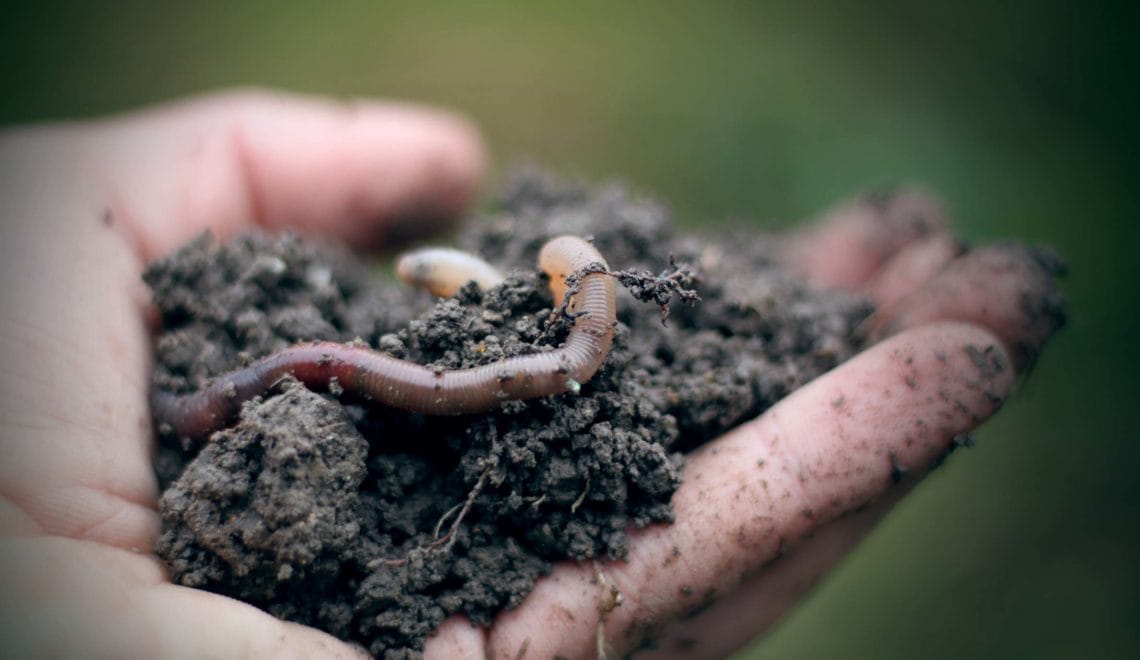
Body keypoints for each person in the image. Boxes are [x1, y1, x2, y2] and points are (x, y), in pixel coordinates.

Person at [0, 90, 1063, 658]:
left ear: (570, 292)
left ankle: (197, 401)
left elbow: (565, 340)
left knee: (388, 365)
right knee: (343, 365)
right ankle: (200, 399)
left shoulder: (570, 328)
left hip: (529, 358)